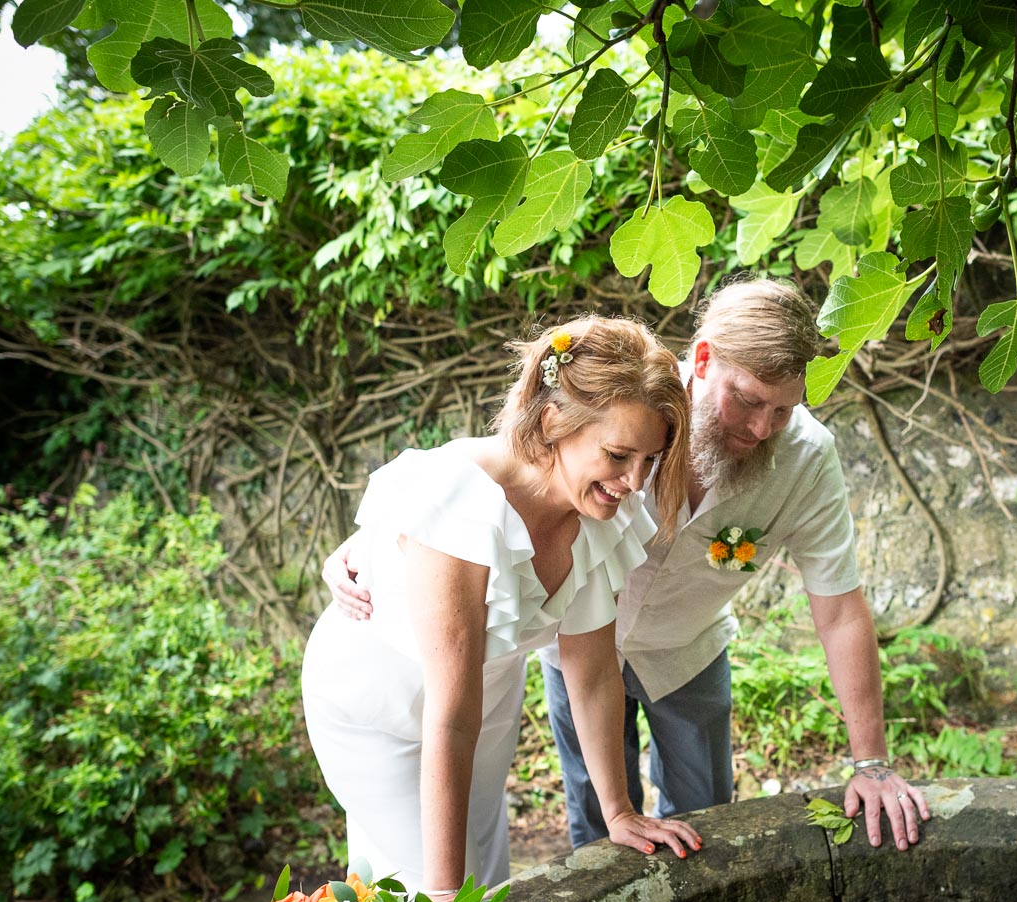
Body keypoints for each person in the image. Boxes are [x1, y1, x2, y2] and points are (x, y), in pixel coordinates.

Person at [327, 280, 929, 855]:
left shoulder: (804, 460)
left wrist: (870, 763)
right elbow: (511, 475)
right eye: (746, 401)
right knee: (596, 820)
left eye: (782, 410)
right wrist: (383, 540)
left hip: (686, 650)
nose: (760, 427)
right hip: (578, 649)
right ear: (701, 359)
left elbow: (841, 609)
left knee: (707, 819)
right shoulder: (629, 408)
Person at [302, 316, 701, 902]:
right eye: (619, 455)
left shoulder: (597, 513)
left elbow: (591, 674)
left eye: (649, 460)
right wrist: (442, 896)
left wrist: (619, 811)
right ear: (553, 420)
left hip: (483, 703)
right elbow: (450, 712)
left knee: (486, 877)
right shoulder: (462, 504)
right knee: (431, 897)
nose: (634, 483)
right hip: (376, 702)